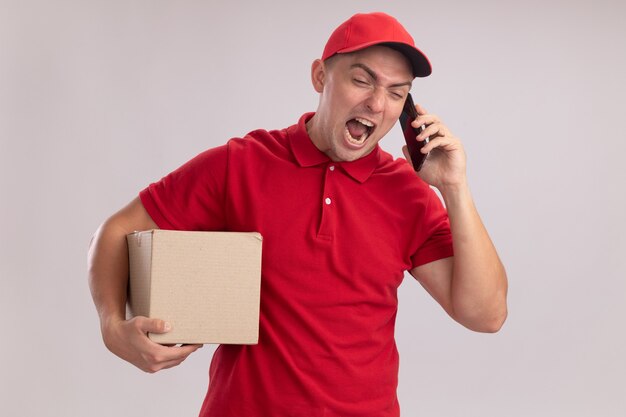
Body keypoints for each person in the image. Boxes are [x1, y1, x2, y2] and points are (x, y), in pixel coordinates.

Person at [88, 11, 507, 417]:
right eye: (362, 80)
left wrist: (454, 187)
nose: (377, 103)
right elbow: (116, 230)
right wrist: (112, 327)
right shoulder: (242, 164)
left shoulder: (408, 192)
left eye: (397, 92)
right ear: (320, 77)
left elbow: (485, 314)